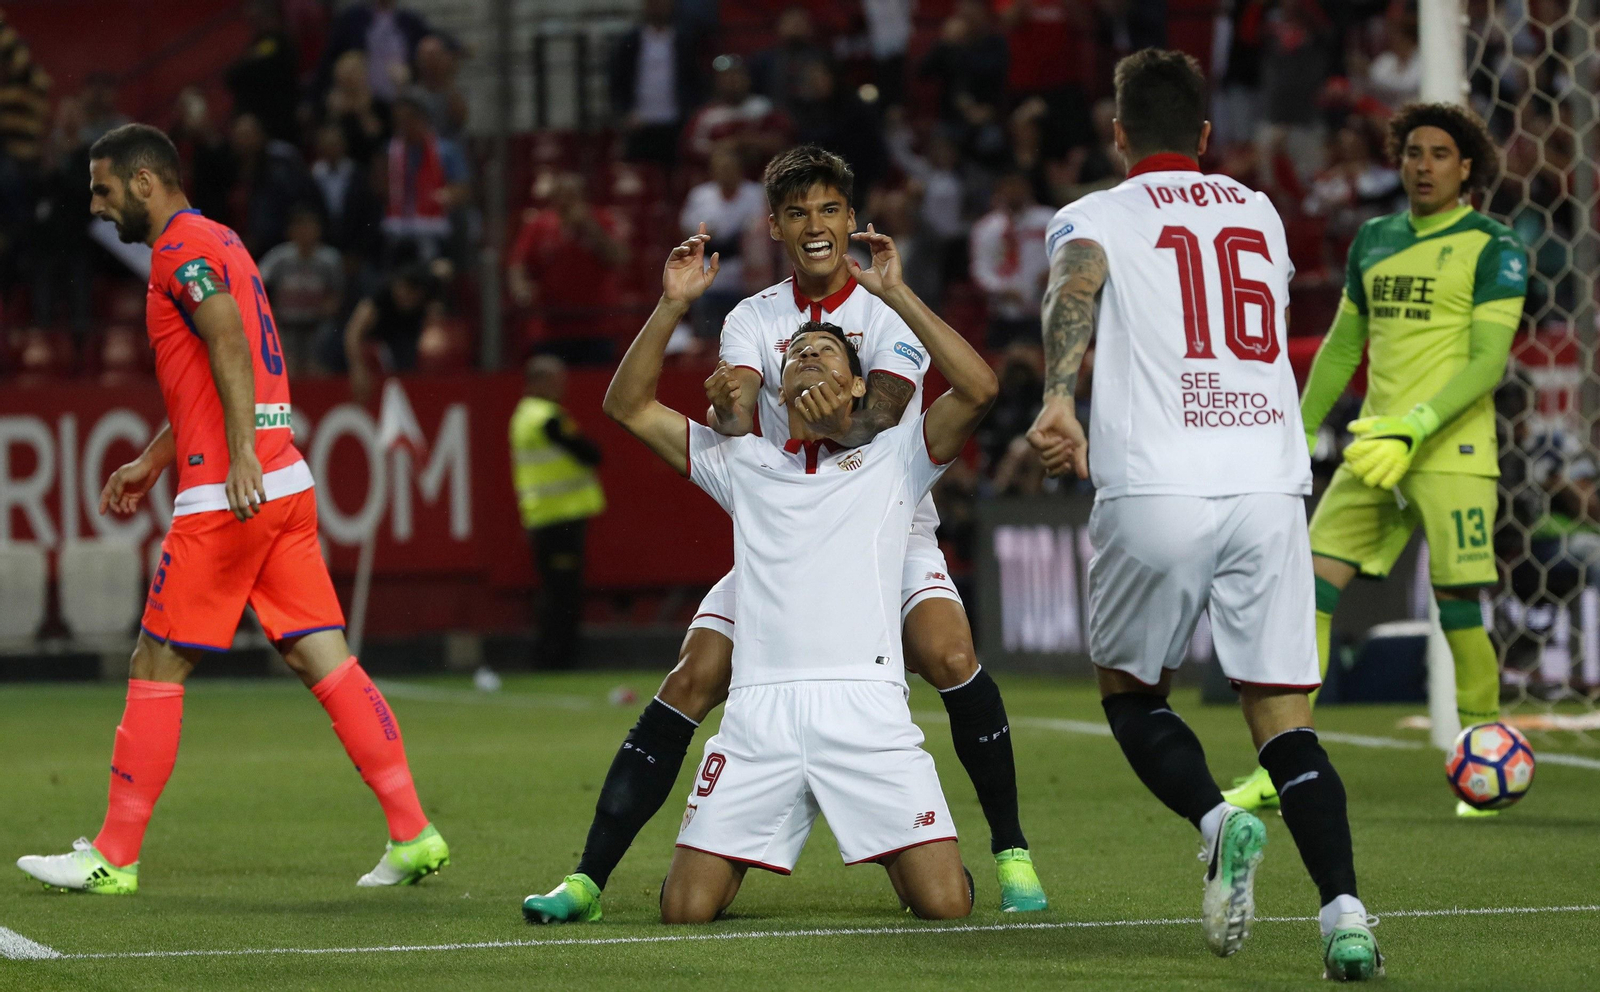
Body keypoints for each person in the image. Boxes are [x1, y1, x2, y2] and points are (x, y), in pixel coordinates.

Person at [522, 146, 1047, 925]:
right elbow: (723, 414)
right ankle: (591, 877)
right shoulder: (752, 318)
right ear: (773, 225)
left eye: (829, 210)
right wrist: (715, 384)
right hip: (774, 526)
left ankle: (1009, 850)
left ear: (850, 217)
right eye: (798, 213)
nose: (815, 226)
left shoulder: (880, 312)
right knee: (693, 678)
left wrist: (837, 390)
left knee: (948, 654)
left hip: (885, 521)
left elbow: (886, 418)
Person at [16, 124, 447, 894]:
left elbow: (224, 339)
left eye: (103, 189)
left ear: (145, 184)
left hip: (230, 492)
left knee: (156, 663)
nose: (96, 205)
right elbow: (213, 363)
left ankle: (112, 857)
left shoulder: (177, 252)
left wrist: (237, 449)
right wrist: (156, 457)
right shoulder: (222, 241)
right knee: (322, 655)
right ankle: (414, 832)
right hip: (284, 481)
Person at [1025, 50, 1381, 979]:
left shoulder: (1094, 213)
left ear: (1117, 134)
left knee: (1132, 692)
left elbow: (1077, 283)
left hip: (1156, 479)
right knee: (1285, 716)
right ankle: (1346, 915)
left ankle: (1219, 822)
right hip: (1267, 478)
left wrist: (1060, 394)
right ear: (1207, 136)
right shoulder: (1258, 209)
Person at [1225, 102, 1527, 822]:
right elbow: (1339, 347)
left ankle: (1483, 752)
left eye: (1439, 155)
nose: (1422, 166)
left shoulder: (1493, 246)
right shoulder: (1375, 239)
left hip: (1448, 447)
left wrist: (1417, 425)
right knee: (1311, 588)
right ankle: (1284, 762)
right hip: (1374, 446)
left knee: (1457, 599)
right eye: (1413, 152)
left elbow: (1488, 362)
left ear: (1468, 168)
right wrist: (1293, 429)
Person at [510, 356, 606, 670]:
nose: (561, 387)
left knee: (554, 590)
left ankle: (550, 654)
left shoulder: (523, 416)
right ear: (537, 383)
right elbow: (588, 453)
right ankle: (557, 657)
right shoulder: (545, 417)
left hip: (543, 516)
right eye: (555, 381)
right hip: (560, 517)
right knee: (562, 592)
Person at [679, 143, 766, 337]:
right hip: (709, 271)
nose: (725, 172)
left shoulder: (755, 194)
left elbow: (759, 233)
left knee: (743, 332)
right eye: (720, 168)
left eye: (730, 167)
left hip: (745, 273)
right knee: (707, 333)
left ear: (739, 169)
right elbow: (688, 232)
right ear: (713, 170)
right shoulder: (700, 195)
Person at [969, 170, 1056, 348]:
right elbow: (980, 270)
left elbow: (1066, 257)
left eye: (1017, 185)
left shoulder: (1049, 220)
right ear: (999, 190)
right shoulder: (986, 228)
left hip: (1044, 310)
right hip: (1003, 313)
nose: (1013, 191)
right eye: (1008, 186)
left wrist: (1054, 273)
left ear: (1028, 187)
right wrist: (1002, 289)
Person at [258, 203, 343, 374]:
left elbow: (338, 293)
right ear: (291, 231)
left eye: (309, 227)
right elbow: (257, 285)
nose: (305, 232)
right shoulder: (277, 258)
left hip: (317, 325)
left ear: (319, 230)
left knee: (320, 361)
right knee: (285, 365)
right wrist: (269, 310)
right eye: (300, 227)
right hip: (284, 323)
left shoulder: (330, 259)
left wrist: (330, 306)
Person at [341, 262, 444, 399]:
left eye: (409, 293)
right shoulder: (380, 292)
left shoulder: (429, 295)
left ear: (419, 294)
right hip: (375, 334)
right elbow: (353, 332)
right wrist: (358, 369)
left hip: (404, 335)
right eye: (400, 288)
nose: (402, 295)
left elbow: (444, 272)